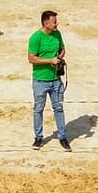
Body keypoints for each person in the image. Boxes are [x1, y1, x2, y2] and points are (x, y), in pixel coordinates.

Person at [28, 10, 70, 151]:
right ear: (46, 23)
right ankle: (38, 138)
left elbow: (63, 49)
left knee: (58, 108)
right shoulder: (35, 38)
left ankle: (62, 136)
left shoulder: (57, 34)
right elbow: (31, 58)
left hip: (56, 79)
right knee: (38, 109)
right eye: (54, 22)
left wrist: (59, 58)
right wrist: (49, 61)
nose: (56, 24)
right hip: (40, 80)